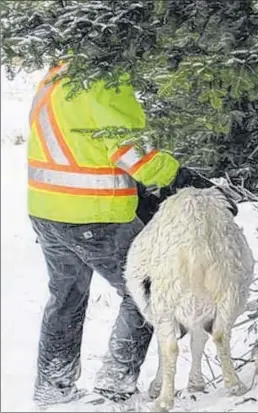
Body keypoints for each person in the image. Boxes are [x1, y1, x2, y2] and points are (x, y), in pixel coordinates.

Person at [27, 62, 217, 408]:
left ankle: (53, 387)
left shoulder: (59, 69)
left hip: (47, 207)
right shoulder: (104, 74)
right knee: (150, 292)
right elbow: (129, 150)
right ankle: (116, 385)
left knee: (66, 296)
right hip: (94, 213)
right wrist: (178, 175)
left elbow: (79, 140)